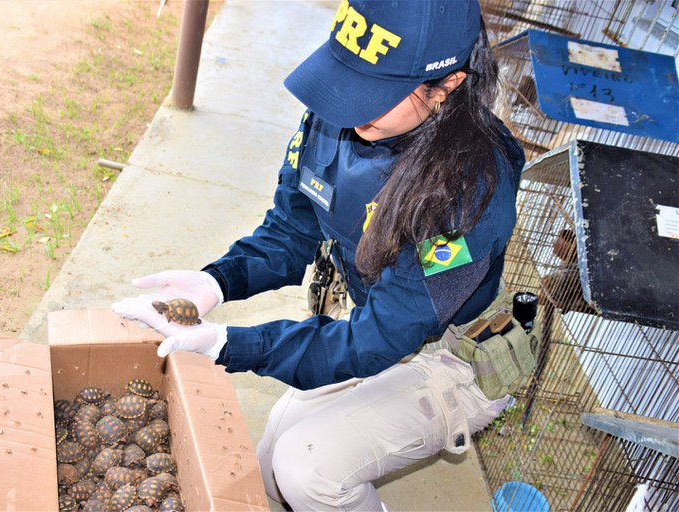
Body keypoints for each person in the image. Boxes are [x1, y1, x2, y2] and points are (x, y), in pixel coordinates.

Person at [112, 1, 527, 510]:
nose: (347, 109)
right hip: (377, 319)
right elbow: (290, 228)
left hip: (455, 352)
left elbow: (377, 337)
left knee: (305, 469)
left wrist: (229, 344)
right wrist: (216, 283)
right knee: (269, 467)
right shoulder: (342, 116)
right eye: (346, 81)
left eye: (374, 91)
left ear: (448, 84)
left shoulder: (469, 187)